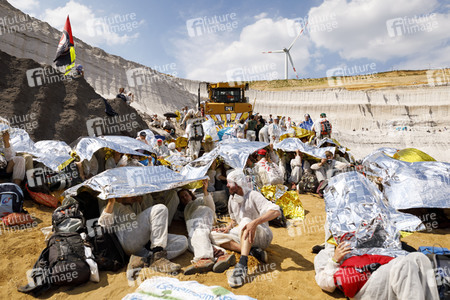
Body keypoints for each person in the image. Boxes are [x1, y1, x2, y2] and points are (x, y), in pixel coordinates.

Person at [210, 169, 281, 288]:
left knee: (246, 221)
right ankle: (253, 252)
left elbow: (276, 211)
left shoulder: (253, 195)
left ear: (238, 184)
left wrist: (255, 222)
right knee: (213, 235)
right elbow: (234, 220)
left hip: (262, 236)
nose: (227, 185)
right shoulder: (232, 199)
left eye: (229, 182)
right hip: (245, 234)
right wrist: (227, 229)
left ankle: (242, 264)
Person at [98, 196, 188, 280]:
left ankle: (144, 259)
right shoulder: (114, 206)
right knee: (160, 208)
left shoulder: (135, 205)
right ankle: (158, 256)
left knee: (182, 241)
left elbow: (152, 223)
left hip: (143, 246)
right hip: (128, 240)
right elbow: (103, 225)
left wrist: (139, 201)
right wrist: (111, 202)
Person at [314, 241, 439, 299]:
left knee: (419, 258)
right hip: (366, 287)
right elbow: (325, 284)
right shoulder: (326, 253)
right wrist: (335, 260)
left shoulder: (365, 237)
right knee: (404, 264)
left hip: (387, 275)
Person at [178, 180, 236, 275]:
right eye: (181, 197)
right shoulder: (182, 212)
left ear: (190, 194)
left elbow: (211, 207)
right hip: (192, 226)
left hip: (203, 215)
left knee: (199, 231)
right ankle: (221, 255)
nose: (184, 198)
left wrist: (205, 190)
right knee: (191, 242)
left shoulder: (199, 200)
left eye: (185, 195)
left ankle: (204, 258)